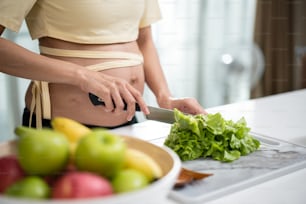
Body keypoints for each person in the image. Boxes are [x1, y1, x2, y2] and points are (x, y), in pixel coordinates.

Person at [0, 0, 206, 129]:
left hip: (127, 122)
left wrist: (165, 97)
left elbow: (144, 40)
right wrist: (84, 76)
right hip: (62, 128)